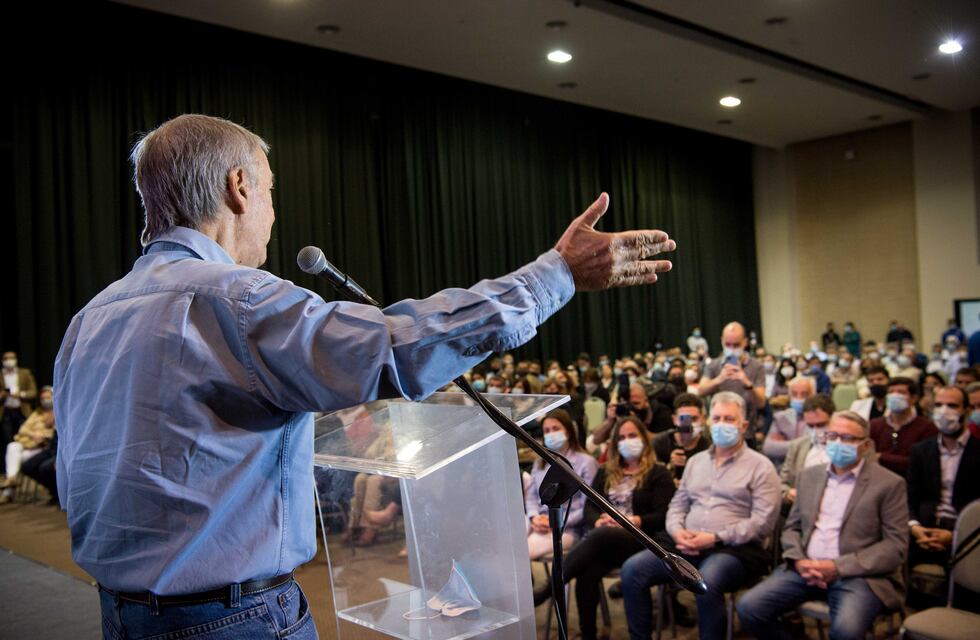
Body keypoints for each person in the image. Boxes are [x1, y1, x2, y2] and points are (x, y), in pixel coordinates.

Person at [54, 114, 677, 639]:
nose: (273, 211)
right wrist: (556, 275)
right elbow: (396, 348)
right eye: (272, 191)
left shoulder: (89, 319)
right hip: (232, 617)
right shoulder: (237, 301)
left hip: (122, 613)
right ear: (239, 187)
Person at [620, 392, 780, 640]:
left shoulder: (761, 466)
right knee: (633, 570)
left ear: (744, 425)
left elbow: (763, 522)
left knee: (708, 580)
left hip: (733, 550)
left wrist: (714, 538)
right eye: (717, 418)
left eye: (729, 419)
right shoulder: (695, 462)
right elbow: (677, 506)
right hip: (684, 544)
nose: (722, 424)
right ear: (709, 422)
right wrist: (677, 532)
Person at [737, 411, 909, 640]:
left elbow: (895, 545)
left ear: (865, 445)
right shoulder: (809, 476)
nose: (838, 443)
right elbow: (793, 527)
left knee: (846, 631)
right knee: (749, 608)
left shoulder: (888, 484)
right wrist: (799, 560)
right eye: (832, 436)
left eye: (847, 438)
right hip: (804, 570)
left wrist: (837, 567)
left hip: (857, 576)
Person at [533, 416, 675, 640]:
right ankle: (588, 634)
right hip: (608, 542)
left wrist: (635, 520)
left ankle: (550, 588)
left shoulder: (659, 473)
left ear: (644, 440)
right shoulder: (607, 471)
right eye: (621, 437)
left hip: (642, 541)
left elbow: (663, 514)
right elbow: (591, 505)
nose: (627, 441)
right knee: (587, 573)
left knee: (602, 534)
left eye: (632, 436)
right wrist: (597, 519)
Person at [907, 386, 980, 569]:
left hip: (966, 529)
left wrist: (954, 534)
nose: (944, 411)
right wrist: (915, 527)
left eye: (952, 405)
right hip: (924, 526)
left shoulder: (978, 450)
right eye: (938, 405)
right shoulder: (921, 450)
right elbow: (910, 496)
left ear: (967, 410)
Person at [525, 410, 599, 559]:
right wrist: (534, 517)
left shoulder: (586, 462)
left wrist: (554, 521)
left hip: (570, 527)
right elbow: (532, 497)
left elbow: (588, 507)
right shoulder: (539, 463)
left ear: (569, 431)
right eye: (547, 430)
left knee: (522, 551)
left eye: (556, 429)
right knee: (510, 541)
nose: (551, 433)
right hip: (541, 521)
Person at [697, 322, 767, 428]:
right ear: (722, 341)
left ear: (745, 342)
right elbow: (701, 391)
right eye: (728, 344)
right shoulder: (713, 365)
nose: (732, 349)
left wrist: (748, 384)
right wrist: (719, 379)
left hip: (747, 428)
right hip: (719, 427)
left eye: (736, 345)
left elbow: (761, 403)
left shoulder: (757, 366)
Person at [868, 377, 937, 477]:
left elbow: (921, 463)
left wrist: (882, 457)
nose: (895, 396)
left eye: (901, 392)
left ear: (913, 398)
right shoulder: (875, 425)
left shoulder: (927, 427)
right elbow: (868, 458)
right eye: (891, 392)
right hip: (879, 480)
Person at [0, 386, 55, 503]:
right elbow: (22, 429)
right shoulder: (37, 413)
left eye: (48, 397)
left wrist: (43, 434)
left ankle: (8, 490)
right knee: (13, 446)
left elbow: (55, 434)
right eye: (43, 398)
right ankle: (12, 479)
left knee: (15, 459)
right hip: (28, 446)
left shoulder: (59, 413)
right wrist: (34, 434)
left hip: (43, 448)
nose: (45, 400)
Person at [779, 394, 836, 507]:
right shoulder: (797, 446)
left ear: (833, 418)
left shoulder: (849, 446)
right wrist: (788, 493)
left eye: (821, 424)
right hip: (802, 506)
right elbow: (782, 484)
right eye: (810, 426)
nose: (816, 430)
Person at [651, 393, 711, 485]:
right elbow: (649, 480)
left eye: (694, 419)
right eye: (684, 419)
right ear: (674, 420)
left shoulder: (709, 448)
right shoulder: (659, 443)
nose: (689, 424)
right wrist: (670, 468)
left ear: (703, 419)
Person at [763, 376, 816, 466]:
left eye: (804, 394)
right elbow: (768, 448)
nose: (799, 398)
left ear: (813, 396)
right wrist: (804, 444)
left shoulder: (819, 419)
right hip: (783, 468)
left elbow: (814, 451)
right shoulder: (780, 417)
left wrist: (784, 445)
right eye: (794, 394)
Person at [1, 351, 38, 477]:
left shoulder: (24, 373)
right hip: (6, 412)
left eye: (11, 358)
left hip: (22, 411)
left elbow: (33, 392)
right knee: (8, 441)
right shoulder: (1, 374)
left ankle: (25, 468)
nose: (9, 360)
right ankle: (10, 472)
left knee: (25, 439)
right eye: (6, 358)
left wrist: (21, 394)